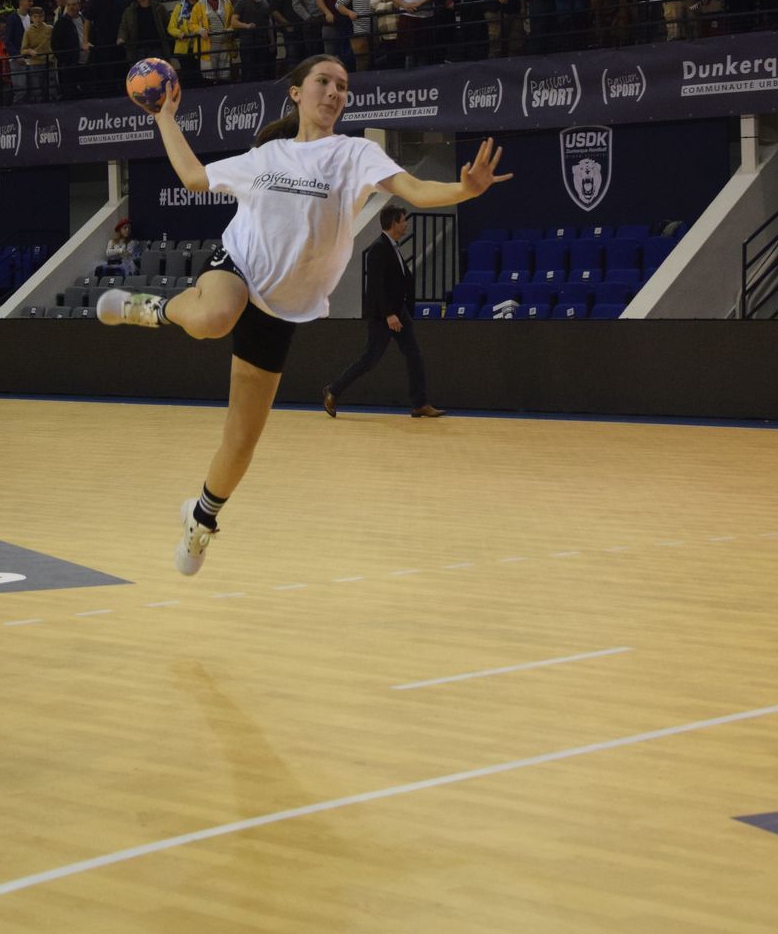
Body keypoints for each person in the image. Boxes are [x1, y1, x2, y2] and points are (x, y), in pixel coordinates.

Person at [95, 56, 509, 575]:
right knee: (215, 316)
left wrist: (463, 191)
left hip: (281, 310)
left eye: (342, 86)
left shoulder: (355, 154)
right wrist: (164, 118)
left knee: (241, 442)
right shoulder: (268, 154)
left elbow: (413, 189)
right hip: (239, 269)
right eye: (323, 82)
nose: (335, 92)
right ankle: (151, 308)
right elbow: (196, 177)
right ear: (297, 93)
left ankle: (200, 520)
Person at [323, 205, 439, 417]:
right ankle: (333, 390)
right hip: (383, 316)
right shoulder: (378, 248)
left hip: (399, 312)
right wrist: (388, 314)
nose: (406, 224)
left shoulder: (392, 246)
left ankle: (420, 403)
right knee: (370, 358)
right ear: (394, 223)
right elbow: (375, 286)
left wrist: (403, 309)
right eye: (403, 220)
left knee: (414, 355)